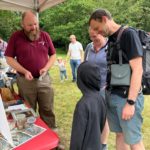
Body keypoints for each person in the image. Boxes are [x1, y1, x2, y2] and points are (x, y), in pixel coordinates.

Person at [89, 9, 145, 150]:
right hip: (112, 95)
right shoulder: (112, 39)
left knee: (134, 140)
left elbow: (138, 70)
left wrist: (131, 103)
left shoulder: (128, 34)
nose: (96, 32)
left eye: (97, 28)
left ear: (104, 19)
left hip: (126, 99)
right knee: (119, 135)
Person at [5, 10, 56, 129]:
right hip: (25, 81)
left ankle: (51, 138)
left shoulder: (44, 35)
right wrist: (25, 71)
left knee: (47, 109)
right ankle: (32, 135)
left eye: (35, 24)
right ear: (22, 24)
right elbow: (9, 58)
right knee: (28, 110)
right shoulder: (16, 37)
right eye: (30, 25)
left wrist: (45, 68)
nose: (34, 27)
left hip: (44, 79)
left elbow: (53, 55)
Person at [70, 61, 106, 150]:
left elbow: (77, 137)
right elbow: (102, 123)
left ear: (82, 80)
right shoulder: (101, 98)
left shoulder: (82, 105)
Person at [84, 28, 109, 150]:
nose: (93, 40)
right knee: (91, 116)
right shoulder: (89, 47)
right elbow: (84, 65)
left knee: (104, 119)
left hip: (105, 88)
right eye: (91, 37)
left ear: (102, 34)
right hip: (89, 89)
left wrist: (108, 84)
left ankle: (102, 145)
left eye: (96, 37)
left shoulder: (111, 47)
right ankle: (92, 143)